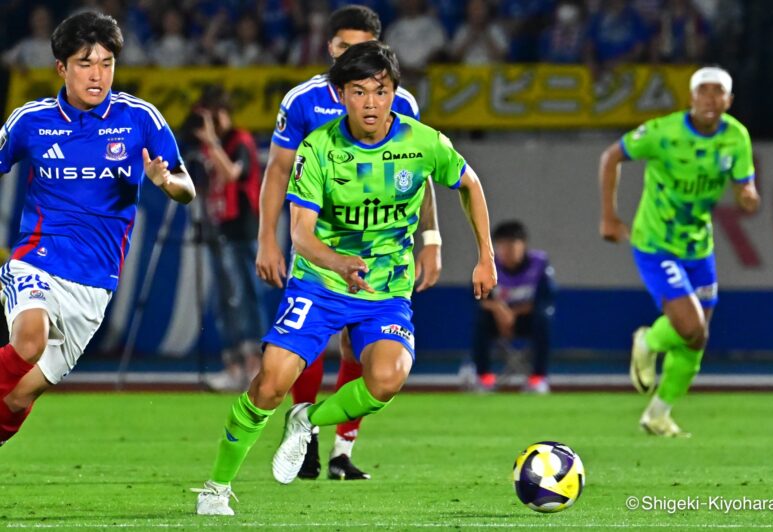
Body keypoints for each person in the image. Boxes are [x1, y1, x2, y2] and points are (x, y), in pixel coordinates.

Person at [194, 40, 496, 516]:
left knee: (387, 378)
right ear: (340, 95)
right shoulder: (319, 149)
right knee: (270, 383)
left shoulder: (422, 143)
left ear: (395, 91)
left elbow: (469, 184)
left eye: (381, 91)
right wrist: (338, 264)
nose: (371, 103)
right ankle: (216, 487)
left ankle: (307, 419)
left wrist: (485, 256)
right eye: (359, 92)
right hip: (320, 282)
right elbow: (301, 233)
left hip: (385, 290)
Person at [256, 4, 442, 481]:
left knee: (363, 350)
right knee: (313, 343)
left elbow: (418, 177)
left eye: (361, 48)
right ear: (329, 48)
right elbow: (278, 171)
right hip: (320, 245)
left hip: (379, 249)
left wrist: (431, 238)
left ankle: (342, 448)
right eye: (343, 48)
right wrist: (268, 241)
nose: (351, 55)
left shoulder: (397, 102)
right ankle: (308, 439)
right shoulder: (302, 101)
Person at [0, 11, 195, 446]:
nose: (98, 74)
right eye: (86, 63)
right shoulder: (29, 121)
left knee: (16, 397)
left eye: (107, 63)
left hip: (95, 283)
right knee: (28, 341)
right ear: (61, 68)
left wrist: (167, 182)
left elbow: (187, 188)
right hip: (38, 260)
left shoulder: (140, 119)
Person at [598, 66, 759, 437]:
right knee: (689, 326)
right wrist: (609, 217)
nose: (710, 98)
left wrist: (748, 197)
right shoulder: (662, 132)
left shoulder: (736, 137)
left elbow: (744, 186)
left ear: (729, 101)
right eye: (703, 91)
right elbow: (611, 157)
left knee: (698, 338)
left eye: (718, 92)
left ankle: (658, 414)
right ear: (691, 97)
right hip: (656, 243)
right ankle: (648, 340)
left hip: (699, 247)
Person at [189, 87, 268, 392]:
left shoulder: (240, 141)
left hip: (243, 231)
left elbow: (235, 174)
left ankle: (255, 366)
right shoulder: (209, 148)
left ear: (224, 114)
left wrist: (212, 143)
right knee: (224, 300)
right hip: (218, 228)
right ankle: (232, 363)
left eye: (212, 117)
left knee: (248, 296)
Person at [472, 220, 556, 393]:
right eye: (501, 245)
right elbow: (478, 297)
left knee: (543, 319)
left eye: (512, 244)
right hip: (497, 321)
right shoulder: (489, 264)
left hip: (527, 320)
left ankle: (538, 379)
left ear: (523, 245)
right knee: (480, 321)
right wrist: (499, 310)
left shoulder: (539, 264)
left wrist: (513, 314)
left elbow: (545, 299)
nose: (506, 250)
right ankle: (483, 377)